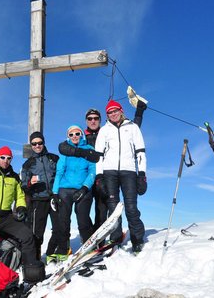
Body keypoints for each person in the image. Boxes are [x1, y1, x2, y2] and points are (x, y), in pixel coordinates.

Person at [58, 100, 147, 233]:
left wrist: (139, 112)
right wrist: (84, 152)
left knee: (102, 212)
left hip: (103, 176)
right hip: (86, 179)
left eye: (96, 118)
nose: (93, 121)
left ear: (100, 119)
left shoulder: (107, 131)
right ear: (86, 120)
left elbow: (131, 130)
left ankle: (103, 240)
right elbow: (63, 147)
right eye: (90, 118)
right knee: (83, 214)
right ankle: (89, 238)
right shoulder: (81, 136)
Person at [0, 146, 45, 281]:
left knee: (27, 236)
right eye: (2, 157)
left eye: (8, 158)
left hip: (6, 217)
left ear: (11, 159)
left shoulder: (15, 177)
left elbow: (20, 196)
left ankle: (30, 270)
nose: (5, 160)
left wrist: (22, 208)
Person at [95, 100, 147, 253]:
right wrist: (99, 177)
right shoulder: (104, 130)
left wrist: (142, 174)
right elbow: (99, 155)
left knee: (131, 207)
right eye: (110, 112)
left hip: (129, 172)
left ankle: (137, 239)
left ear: (121, 110)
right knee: (114, 208)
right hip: (109, 172)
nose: (113, 114)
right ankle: (116, 238)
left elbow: (140, 152)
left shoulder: (133, 127)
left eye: (115, 111)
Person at [49, 125, 96, 262]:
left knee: (83, 220)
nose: (74, 136)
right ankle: (64, 249)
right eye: (71, 134)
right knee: (63, 220)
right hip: (65, 189)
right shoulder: (65, 151)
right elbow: (59, 172)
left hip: (83, 188)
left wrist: (85, 188)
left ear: (81, 134)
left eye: (77, 133)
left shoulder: (89, 150)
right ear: (68, 137)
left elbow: (92, 171)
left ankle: (88, 247)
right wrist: (55, 193)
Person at [20, 131, 59, 260]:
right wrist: (30, 183)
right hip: (37, 200)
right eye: (34, 144)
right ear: (31, 145)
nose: (37, 146)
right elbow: (23, 185)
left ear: (43, 143)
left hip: (54, 198)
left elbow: (61, 176)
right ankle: (34, 260)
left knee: (59, 228)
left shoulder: (53, 158)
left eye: (40, 143)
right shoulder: (28, 164)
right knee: (37, 233)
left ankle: (51, 254)